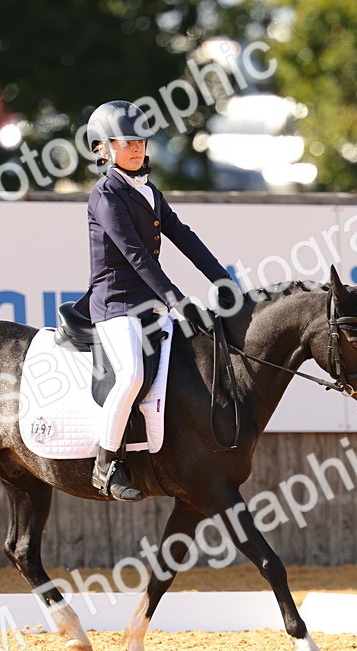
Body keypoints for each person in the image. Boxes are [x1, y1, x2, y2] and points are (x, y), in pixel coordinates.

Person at [82, 99, 235, 501]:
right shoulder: (106, 195)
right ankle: (106, 464)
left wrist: (221, 278)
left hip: (149, 304)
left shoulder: (148, 191)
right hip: (115, 304)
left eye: (140, 141)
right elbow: (134, 255)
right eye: (124, 142)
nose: (135, 148)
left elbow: (182, 235)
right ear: (102, 148)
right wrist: (176, 300)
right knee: (132, 374)